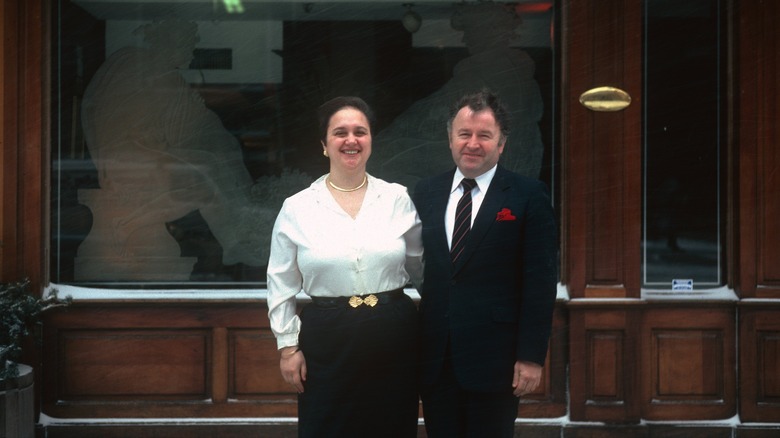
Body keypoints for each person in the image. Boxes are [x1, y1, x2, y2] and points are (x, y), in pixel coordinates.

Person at [266, 96, 424, 438]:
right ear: (324, 144)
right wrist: (288, 346)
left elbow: (420, 268)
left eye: (360, 132)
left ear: (370, 142)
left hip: (393, 334)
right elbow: (280, 281)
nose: (351, 140)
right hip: (327, 337)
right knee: (328, 427)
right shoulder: (297, 208)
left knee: (391, 426)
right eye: (340, 132)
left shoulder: (397, 199)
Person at [412, 90, 558, 437]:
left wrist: (531, 356)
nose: (472, 144)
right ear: (451, 139)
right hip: (437, 361)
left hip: (497, 362)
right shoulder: (426, 193)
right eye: (464, 134)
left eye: (484, 136)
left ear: (501, 144)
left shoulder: (527, 196)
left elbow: (540, 282)